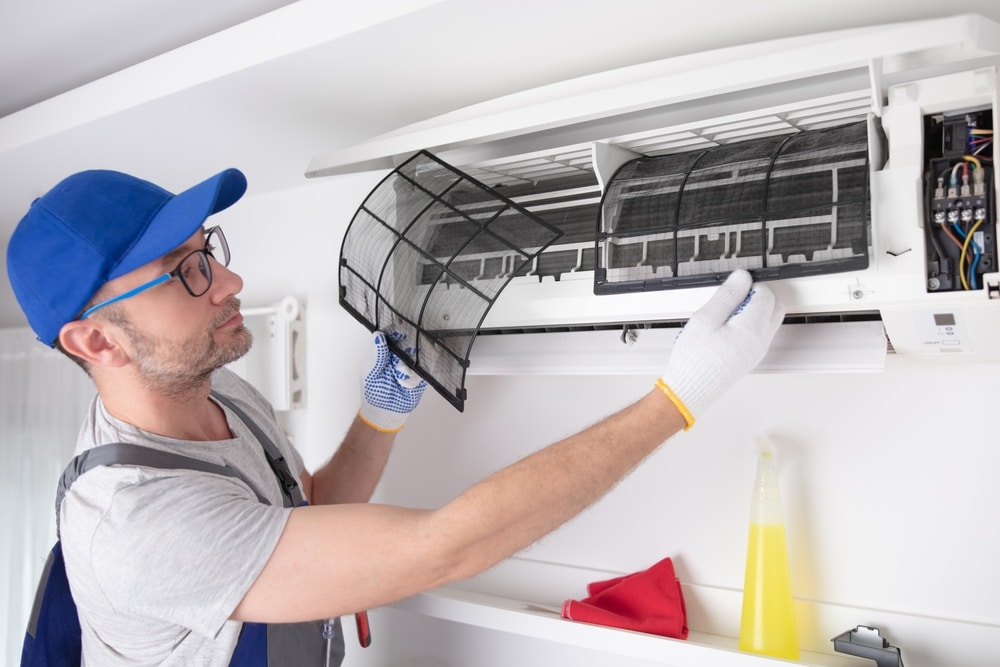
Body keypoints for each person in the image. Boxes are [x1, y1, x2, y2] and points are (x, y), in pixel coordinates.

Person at [6, 167, 785, 666]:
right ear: (95, 339)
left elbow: (305, 517)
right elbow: (442, 548)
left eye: (209, 245)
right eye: (189, 271)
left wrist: (379, 419)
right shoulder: (139, 526)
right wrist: (675, 400)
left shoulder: (218, 393)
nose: (228, 277)